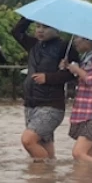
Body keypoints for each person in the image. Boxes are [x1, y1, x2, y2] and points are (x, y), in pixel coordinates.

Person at [12, 17, 78, 161]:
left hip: (51, 105)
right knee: (44, 144)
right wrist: (28, 17)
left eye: (45, 27)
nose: (40, 30)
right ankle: (47, 180)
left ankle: (42, 169)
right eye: (38, 26)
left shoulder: (65, 47)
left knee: (28, 140)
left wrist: (48, 78)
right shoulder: (33, 45)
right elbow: (16, 32)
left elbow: (73, 74)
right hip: (31, 103)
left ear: (57, 29)